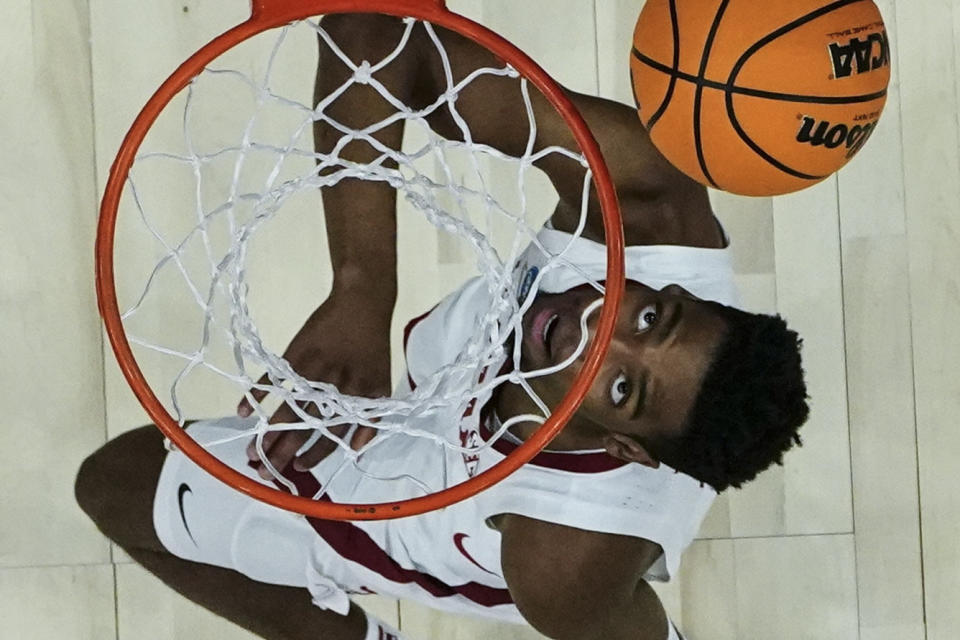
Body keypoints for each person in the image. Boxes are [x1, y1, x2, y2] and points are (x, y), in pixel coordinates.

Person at [75, 14, 809, 640]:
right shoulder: (645, 200)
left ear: (621, 444)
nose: (593, 328)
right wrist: (363, 284)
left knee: (111, 485)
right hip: (451, 394)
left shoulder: (569, 550)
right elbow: (372, 28)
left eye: (621, 386)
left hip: (444, 507)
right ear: (677, 283)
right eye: (649, 316)